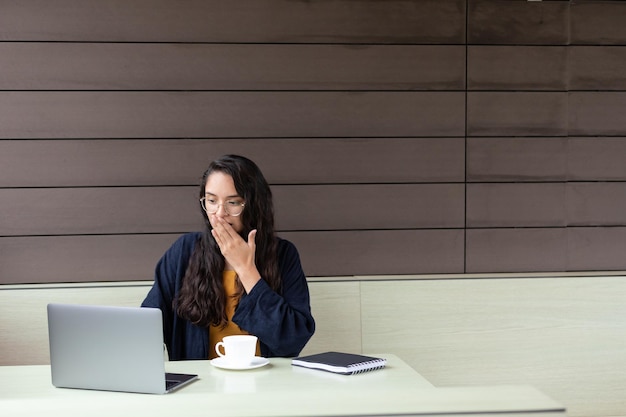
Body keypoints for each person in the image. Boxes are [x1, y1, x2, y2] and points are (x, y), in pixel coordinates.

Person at [142, 155, 315, 360]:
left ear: (254, 205)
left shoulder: (283, 254)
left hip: (266, 384)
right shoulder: (184, 251)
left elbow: (292, 341)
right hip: (200, 385)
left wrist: (246, 270)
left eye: (233, 202)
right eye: (212, 201)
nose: (219, 213)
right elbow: (147, 327)